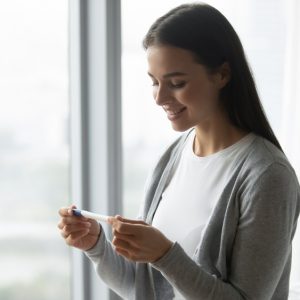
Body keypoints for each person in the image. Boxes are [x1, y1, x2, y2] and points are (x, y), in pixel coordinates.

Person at [58, 3, 300, 299]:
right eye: (154, 82)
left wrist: (164, 254)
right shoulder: (172, 158)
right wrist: (95, 246)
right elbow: (145, 288)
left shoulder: (267, 176)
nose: (160, 97)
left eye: (176, 83)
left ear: (222, 74)